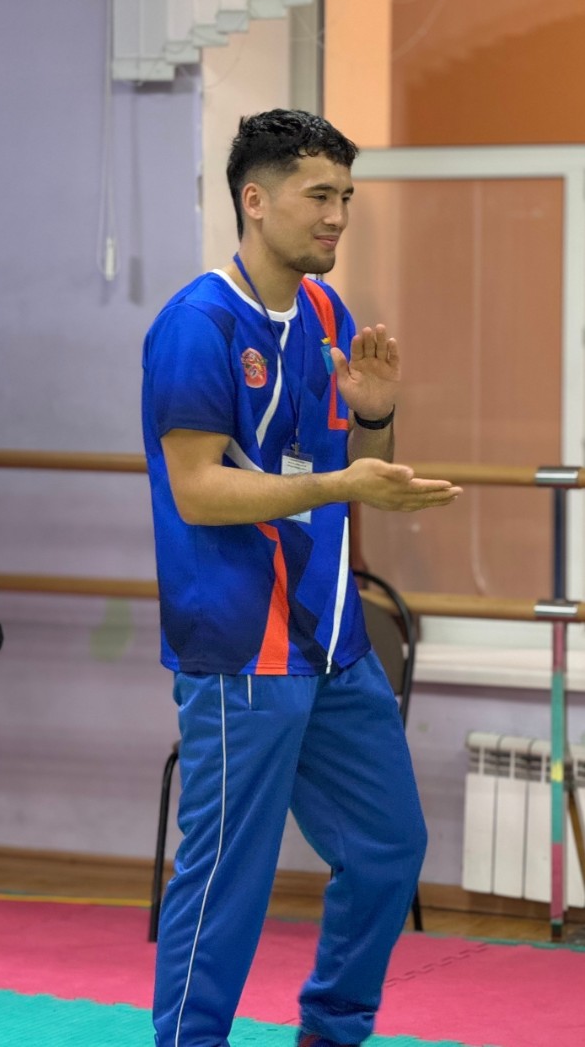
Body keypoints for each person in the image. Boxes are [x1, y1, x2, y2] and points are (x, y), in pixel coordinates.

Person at [141, 108, 462, 1047]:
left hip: (332, 643)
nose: (337, 217)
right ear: (255, 199)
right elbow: (198, 490)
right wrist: (339, 482)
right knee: (225, 880)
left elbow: (353, 465)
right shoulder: (196, 325)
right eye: (319, 195)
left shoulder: (328, 316)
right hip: (241, 648)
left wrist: (376, 417)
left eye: (346, 197)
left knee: (388, 846)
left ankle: (333, 1027)